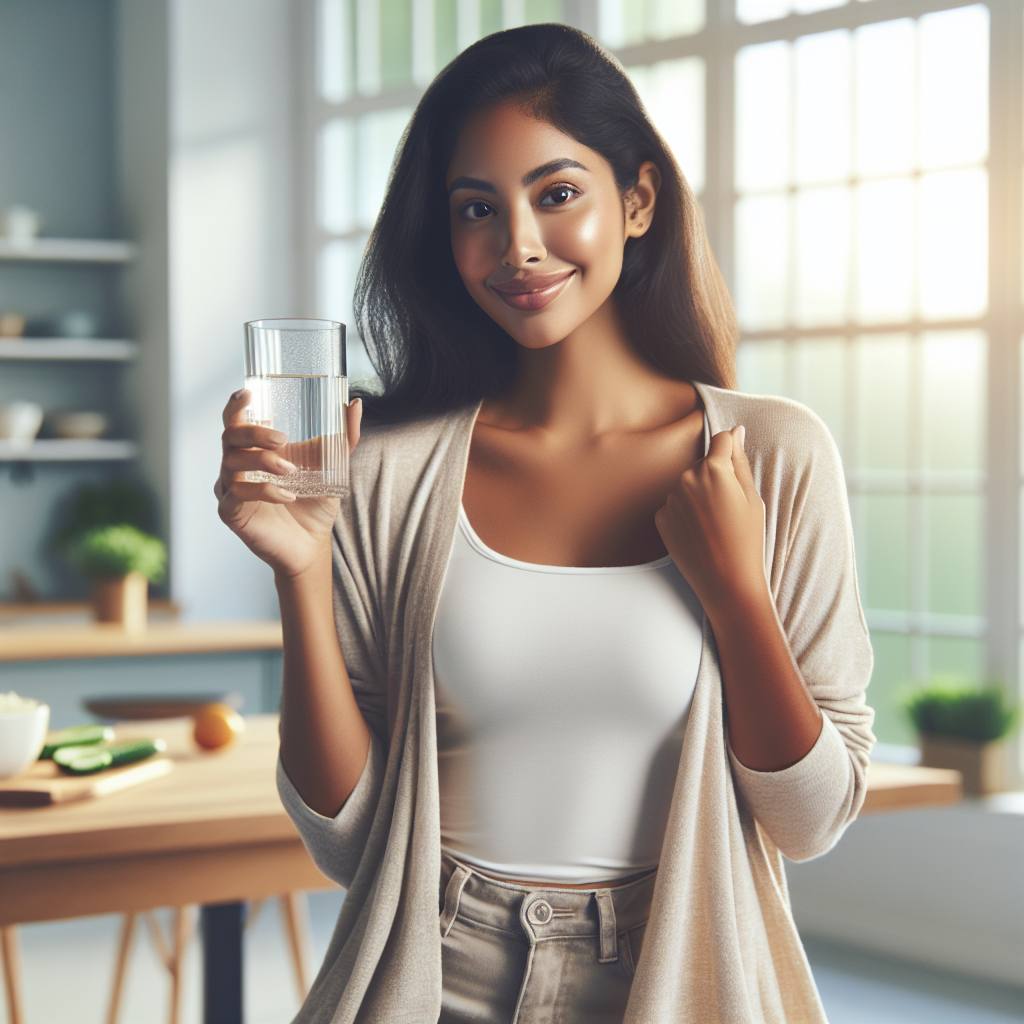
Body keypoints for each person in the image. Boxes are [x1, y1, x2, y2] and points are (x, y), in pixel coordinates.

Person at [216, 23, 874, 1024]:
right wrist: (300, 571)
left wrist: (739, 595)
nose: (517, 245)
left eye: (556, 194)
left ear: (638, 200)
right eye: (477, 209)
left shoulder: (770, 457)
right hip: (433, 976)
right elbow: (348, 842)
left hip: (677, 971)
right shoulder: (387, 469)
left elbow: (812, 817)